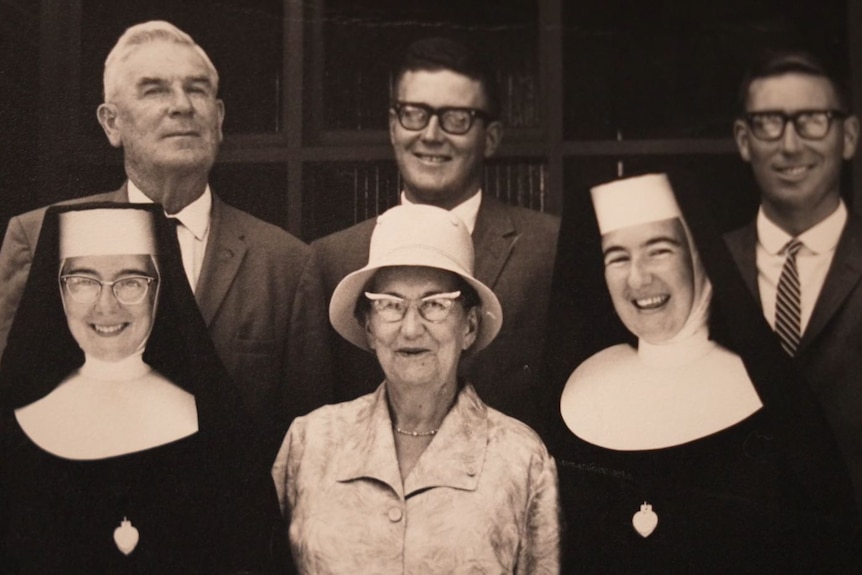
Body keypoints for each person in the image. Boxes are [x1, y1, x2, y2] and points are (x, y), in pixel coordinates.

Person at [0, 20, 331, 464]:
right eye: (154, 90)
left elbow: (305, 449)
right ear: (111, 123)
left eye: (196, 90)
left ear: (219, 118)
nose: (181, 106)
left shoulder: (286, 265)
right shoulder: (43, 237)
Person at [545, 173, 859, 572]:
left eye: (659, 250)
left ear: (698, 257)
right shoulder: (572, 403)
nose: (638, 278)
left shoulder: (772, 401)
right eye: (617, 256)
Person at [272, 204, 560, 574]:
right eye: (390, 305)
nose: (410, 329)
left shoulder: (522, 459)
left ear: (469, 326)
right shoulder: (310, 442)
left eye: (435, 305)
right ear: (368, 326)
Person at [0, 204, 274, 573]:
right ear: (57, 291)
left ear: (160, 289)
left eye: (130, 282)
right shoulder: (12, 431)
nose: (106, 305)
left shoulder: (218, 427)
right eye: (83, 281)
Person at [311, 37, 559, 430]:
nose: (430, 134)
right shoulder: (331, 260)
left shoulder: (550, 249)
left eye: (456, 118)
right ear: (393, 127)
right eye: (414, 113)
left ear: (490, 138)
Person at [724, 50, 862, 514]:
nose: (790, 144)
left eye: (813, 120)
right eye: (768, 122)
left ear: (849, 136)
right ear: (744, 140)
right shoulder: (705, 267)